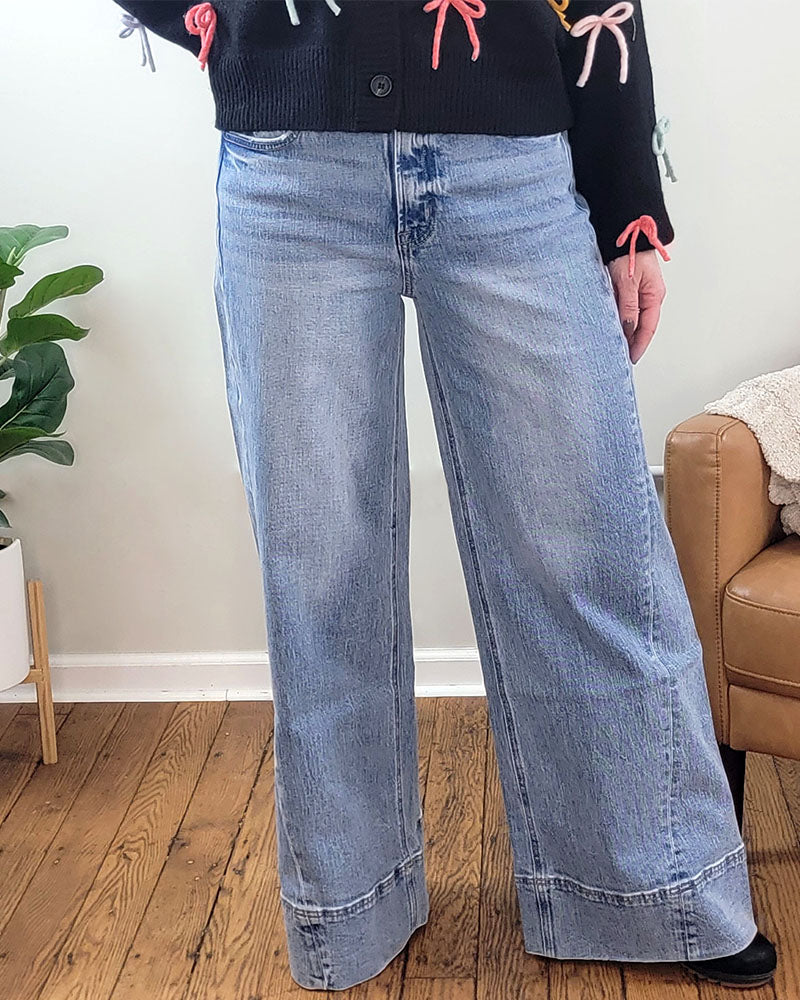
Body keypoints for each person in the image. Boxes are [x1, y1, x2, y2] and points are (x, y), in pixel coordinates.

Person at [111, 0, 777, 991]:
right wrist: (232, 23)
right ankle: (351, 905)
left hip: (513, 160)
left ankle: (659, 889)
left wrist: (627, 205)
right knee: (322, 568)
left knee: (586, 547)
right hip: (292, 172)